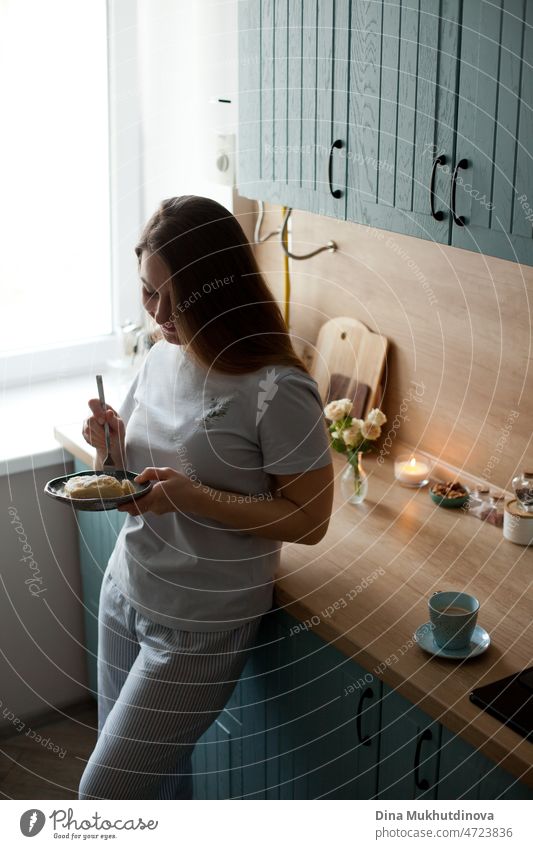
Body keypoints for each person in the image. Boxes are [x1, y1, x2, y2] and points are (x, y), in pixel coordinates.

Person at [78, 195, 334, 799]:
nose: (162, 314)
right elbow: (131, 482)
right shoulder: (162, 354)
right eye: (148, 293)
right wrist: (110, 451)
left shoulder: (276, 387)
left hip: (199, 625)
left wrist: (194, 498)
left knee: (103, 796)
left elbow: (311, 520)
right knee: (160, 788)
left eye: (179, 296)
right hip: (127, 588)